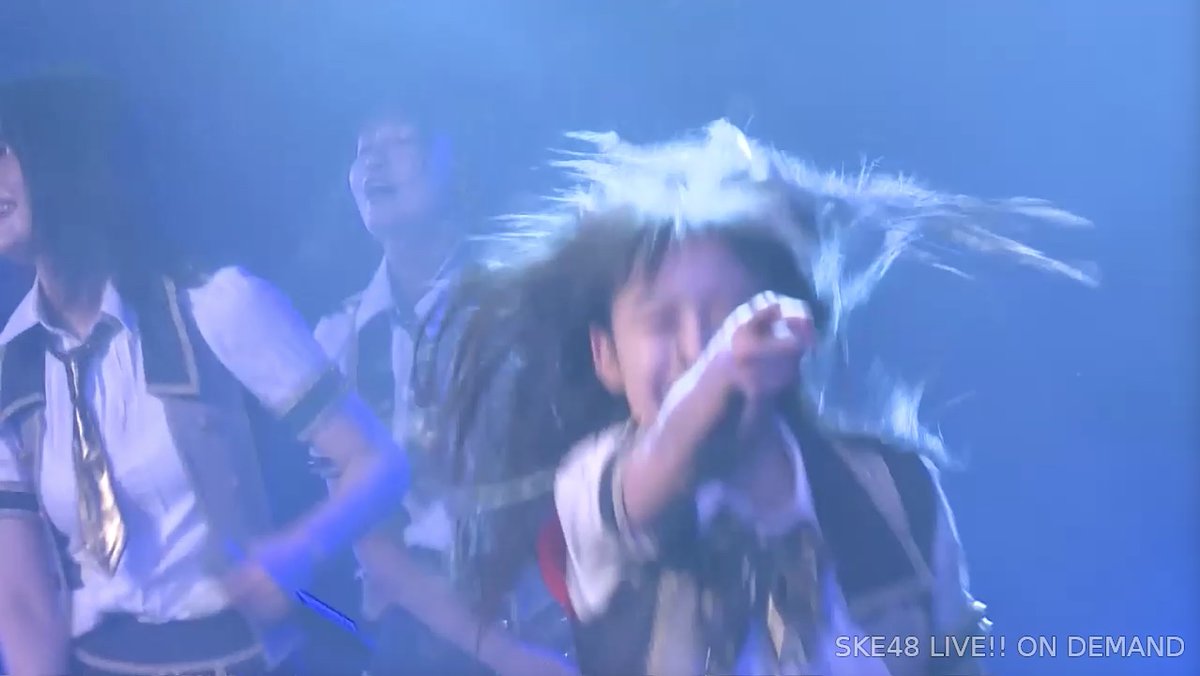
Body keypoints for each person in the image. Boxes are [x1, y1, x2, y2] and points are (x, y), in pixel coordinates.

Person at [427, 121, 1095, 675]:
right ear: (606, 356)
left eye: (727, 316)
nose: (697, 349)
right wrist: (721, 371)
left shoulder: (893, 490)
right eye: (661, 322)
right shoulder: (593, 488)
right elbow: (658, 470)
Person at [0, 75, 408, 675]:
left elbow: (378, 462)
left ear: (69, 158)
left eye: (6, 151)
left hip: (237, 655)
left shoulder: (215, 306)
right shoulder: (13, 363)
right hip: (99, 659)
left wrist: (299, 549)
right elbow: (21, 599)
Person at [311, 103, 574, 675]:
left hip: (543, 622)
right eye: (362, 147)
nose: (373, 160)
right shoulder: (339, 341)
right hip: (417, 639)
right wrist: (500, 654)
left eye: (399, 139)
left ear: (456, 159)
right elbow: (367, 533)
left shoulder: (529, 307)